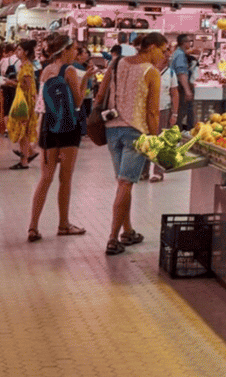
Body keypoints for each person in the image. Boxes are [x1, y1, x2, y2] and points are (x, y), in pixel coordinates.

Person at [95, 30, 168, 255]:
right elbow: (152, 112)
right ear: (153, 47)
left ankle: (128, 231)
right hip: (135, 133)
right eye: (164, 50)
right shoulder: (151, 72)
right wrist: (155, 141)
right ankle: (112, 238)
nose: (164, 56)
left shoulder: (117, 63)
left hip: (112, 130)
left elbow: (99, 96)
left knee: (122, 184)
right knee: (126, 184)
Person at [27, 33, 86, 241]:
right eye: (75, 49)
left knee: (45, 178)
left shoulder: (45, 71)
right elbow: (78, 102)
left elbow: (41, 104)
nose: (76, 53)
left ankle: (33, 226)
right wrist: (86, 80)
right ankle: (63, 224)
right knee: (65, 179)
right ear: (66, 50)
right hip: (69, 129)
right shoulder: (69, 70)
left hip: (47, 128)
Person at [6, 40, 39, 168]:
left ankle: (24, 161)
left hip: (25, 102)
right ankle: (29, 153)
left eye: (19, 50)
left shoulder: (26, 67)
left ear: (25, 52)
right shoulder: (25, 65)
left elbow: (28, 86)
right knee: (22, 131)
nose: (17, 52)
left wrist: (11, 83)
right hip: (24, 100)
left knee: (22, 132)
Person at [149, 55, 180, 182]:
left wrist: (174, 113)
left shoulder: (171, 73)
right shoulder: (149, 71)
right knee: (146, 139)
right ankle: (143, 171)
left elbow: (174, 94)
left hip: (164, 110)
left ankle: (158, 172)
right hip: (148, 111)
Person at [0, 43, 18, 136]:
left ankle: (4, 129)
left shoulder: (2, 61)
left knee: (3, 108)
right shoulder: (19, 61)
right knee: (14, 108)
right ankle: (13, 128)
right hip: (15, 86)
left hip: (3, 85)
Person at [169, 33, 195, 130]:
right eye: (189, 41)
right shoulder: (180, 55)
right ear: (184, 43)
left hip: (177, 86)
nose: (190, 43)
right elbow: (181, 74)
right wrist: (187, 90)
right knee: (182, 113)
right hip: (180, 87)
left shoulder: (177, 53)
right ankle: (179, 134)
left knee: (180, 112)